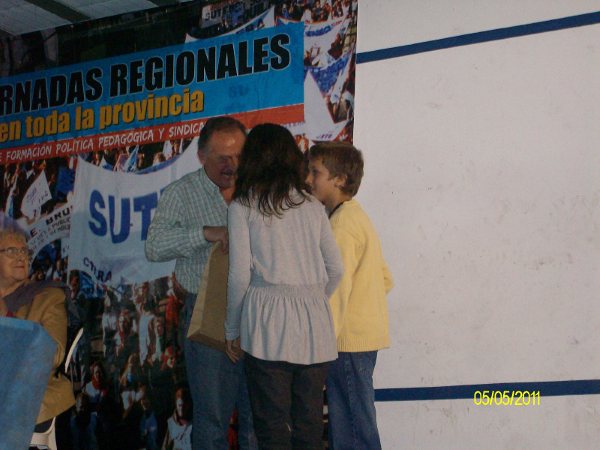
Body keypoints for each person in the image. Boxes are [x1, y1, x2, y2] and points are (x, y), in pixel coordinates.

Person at [225, 124, 344, 448]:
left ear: (251, 159)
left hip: (266, 325)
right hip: (314, 325)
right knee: (309, 426)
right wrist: (312, 300)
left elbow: (239, 276)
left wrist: (232, 329)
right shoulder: (312, 206)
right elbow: (336, 269)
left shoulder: (243, 206)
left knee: (272, 427)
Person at [145, 116, 256, 449]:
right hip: (207, 315)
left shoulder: (258, 189)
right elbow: (154, 246)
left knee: (258, 420)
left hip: (257, 313)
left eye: (238, 156)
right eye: (222, 158)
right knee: (212, 419)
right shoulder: (182, 192)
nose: (232, 165)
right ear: (201, 156)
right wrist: (205, 234)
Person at [306, 142, 393, 450]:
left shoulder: (341, 225)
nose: (308, 179)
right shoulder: (356, 217)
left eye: (315, 172)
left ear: (340, 179)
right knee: (355, 423)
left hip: (345, 343)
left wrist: (323, 342)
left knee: (352, 429)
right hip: (358, 340)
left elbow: (336, 289)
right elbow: (384, 278)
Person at [0, 228, 76, 435]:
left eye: (24, 251)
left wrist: (6, 315)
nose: (21, 257)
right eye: (11, 251)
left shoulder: (48, 297)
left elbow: (53, 353)